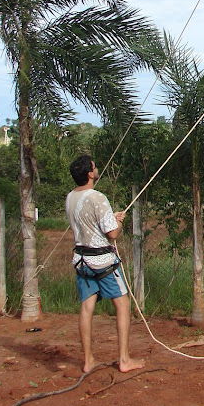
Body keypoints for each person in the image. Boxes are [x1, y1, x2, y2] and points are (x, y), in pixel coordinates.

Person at [66, 154, 144, 374]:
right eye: (95, 166)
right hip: (102, 262)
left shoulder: (70, 197)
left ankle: (88, 360)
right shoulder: (97, 197)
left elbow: (90, 224)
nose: (97, 168)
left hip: (81, 260)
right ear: (90, 174)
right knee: (123, 304)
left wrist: (112, 217)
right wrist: (117, 224)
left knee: (87, 307)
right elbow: (112, 234)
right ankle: (124, 359)